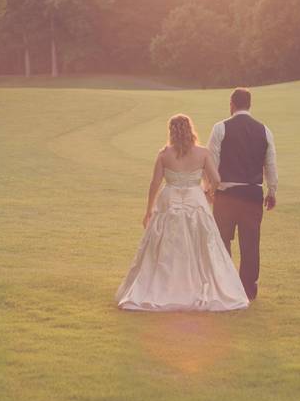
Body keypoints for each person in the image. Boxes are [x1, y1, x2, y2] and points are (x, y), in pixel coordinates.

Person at [115, 114, 249, 311]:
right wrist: (208, 191)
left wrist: (149, 210)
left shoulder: (164, 155)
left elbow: (154, 184)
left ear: (171, 131)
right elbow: (216, 179)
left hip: (169, 201)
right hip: (195, 201)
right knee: (201, 245)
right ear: (190, 130)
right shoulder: (202, 153)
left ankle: (166, 287)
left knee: (166, 246)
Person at [207, 87, 278, 300]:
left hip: (227, 193)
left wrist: (210, 189)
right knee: (250, 243)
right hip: (253, 194)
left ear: (232, 104)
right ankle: (248, 289)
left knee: (222, 240)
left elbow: (212, 162)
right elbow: (270, 164)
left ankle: (226, 285)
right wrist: (271, 191)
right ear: (250, 105)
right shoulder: (265, 130)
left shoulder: (220, 128)